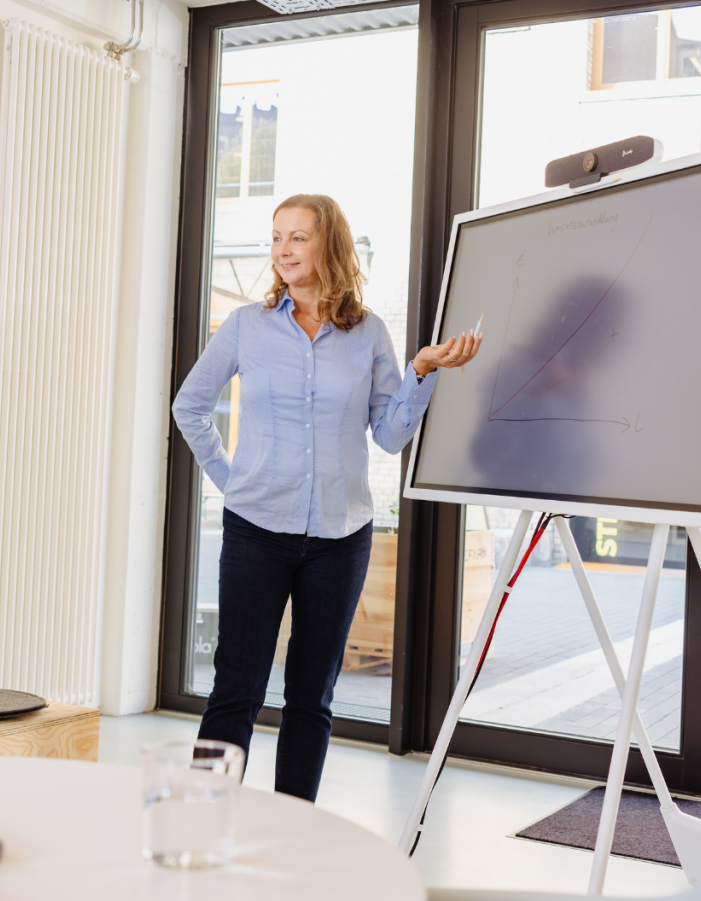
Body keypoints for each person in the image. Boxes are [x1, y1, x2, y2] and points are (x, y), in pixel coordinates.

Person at [172, 193, 481, 801]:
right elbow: (190, 407)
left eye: (298, 237)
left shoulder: (368, 334)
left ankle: (295, 824)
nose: (283, 250)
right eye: (277, 237)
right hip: (256, 530)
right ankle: (204, 819)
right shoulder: (246, 327)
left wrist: (421, 370)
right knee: (236, 687)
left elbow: (390, 435)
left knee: (312, 696)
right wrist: (235, 482)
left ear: (328, 244)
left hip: (340, 539)